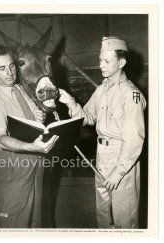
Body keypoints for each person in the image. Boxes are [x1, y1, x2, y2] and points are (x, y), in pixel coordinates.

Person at [59, 37, 146, 228]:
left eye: (106, 61)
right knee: (103, 215)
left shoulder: (131, 95)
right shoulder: (101, 89)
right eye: (99, 60)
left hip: (123, 159)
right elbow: (88, 117)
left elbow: (134, 139)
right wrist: (71, 103)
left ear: (121, 63)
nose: (100, 65)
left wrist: (119, 171)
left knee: (124, 218)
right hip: (102, 157)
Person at [0, 44, 58, 228]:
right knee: (16, 221)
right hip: (10, 163)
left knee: (35, 219)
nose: (9, 73)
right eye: (1, 68)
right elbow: (0, 139)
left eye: (12, 66)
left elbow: (31, 117)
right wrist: (33, 147)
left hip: (33, 158)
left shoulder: (19, 89)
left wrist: (40, 116)